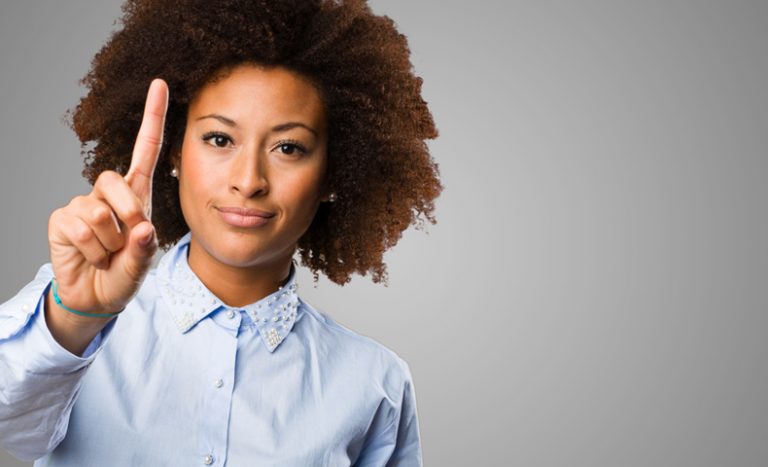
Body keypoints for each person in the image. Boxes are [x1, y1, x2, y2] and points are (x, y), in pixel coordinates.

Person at [0, 0, 441, 465]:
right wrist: (76, 319)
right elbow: (12, 431)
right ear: (174, 151)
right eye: (219, 139)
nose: (248, 181)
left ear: (334, 174)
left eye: (289, 148)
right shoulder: (69, 306)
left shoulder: (374, 383)